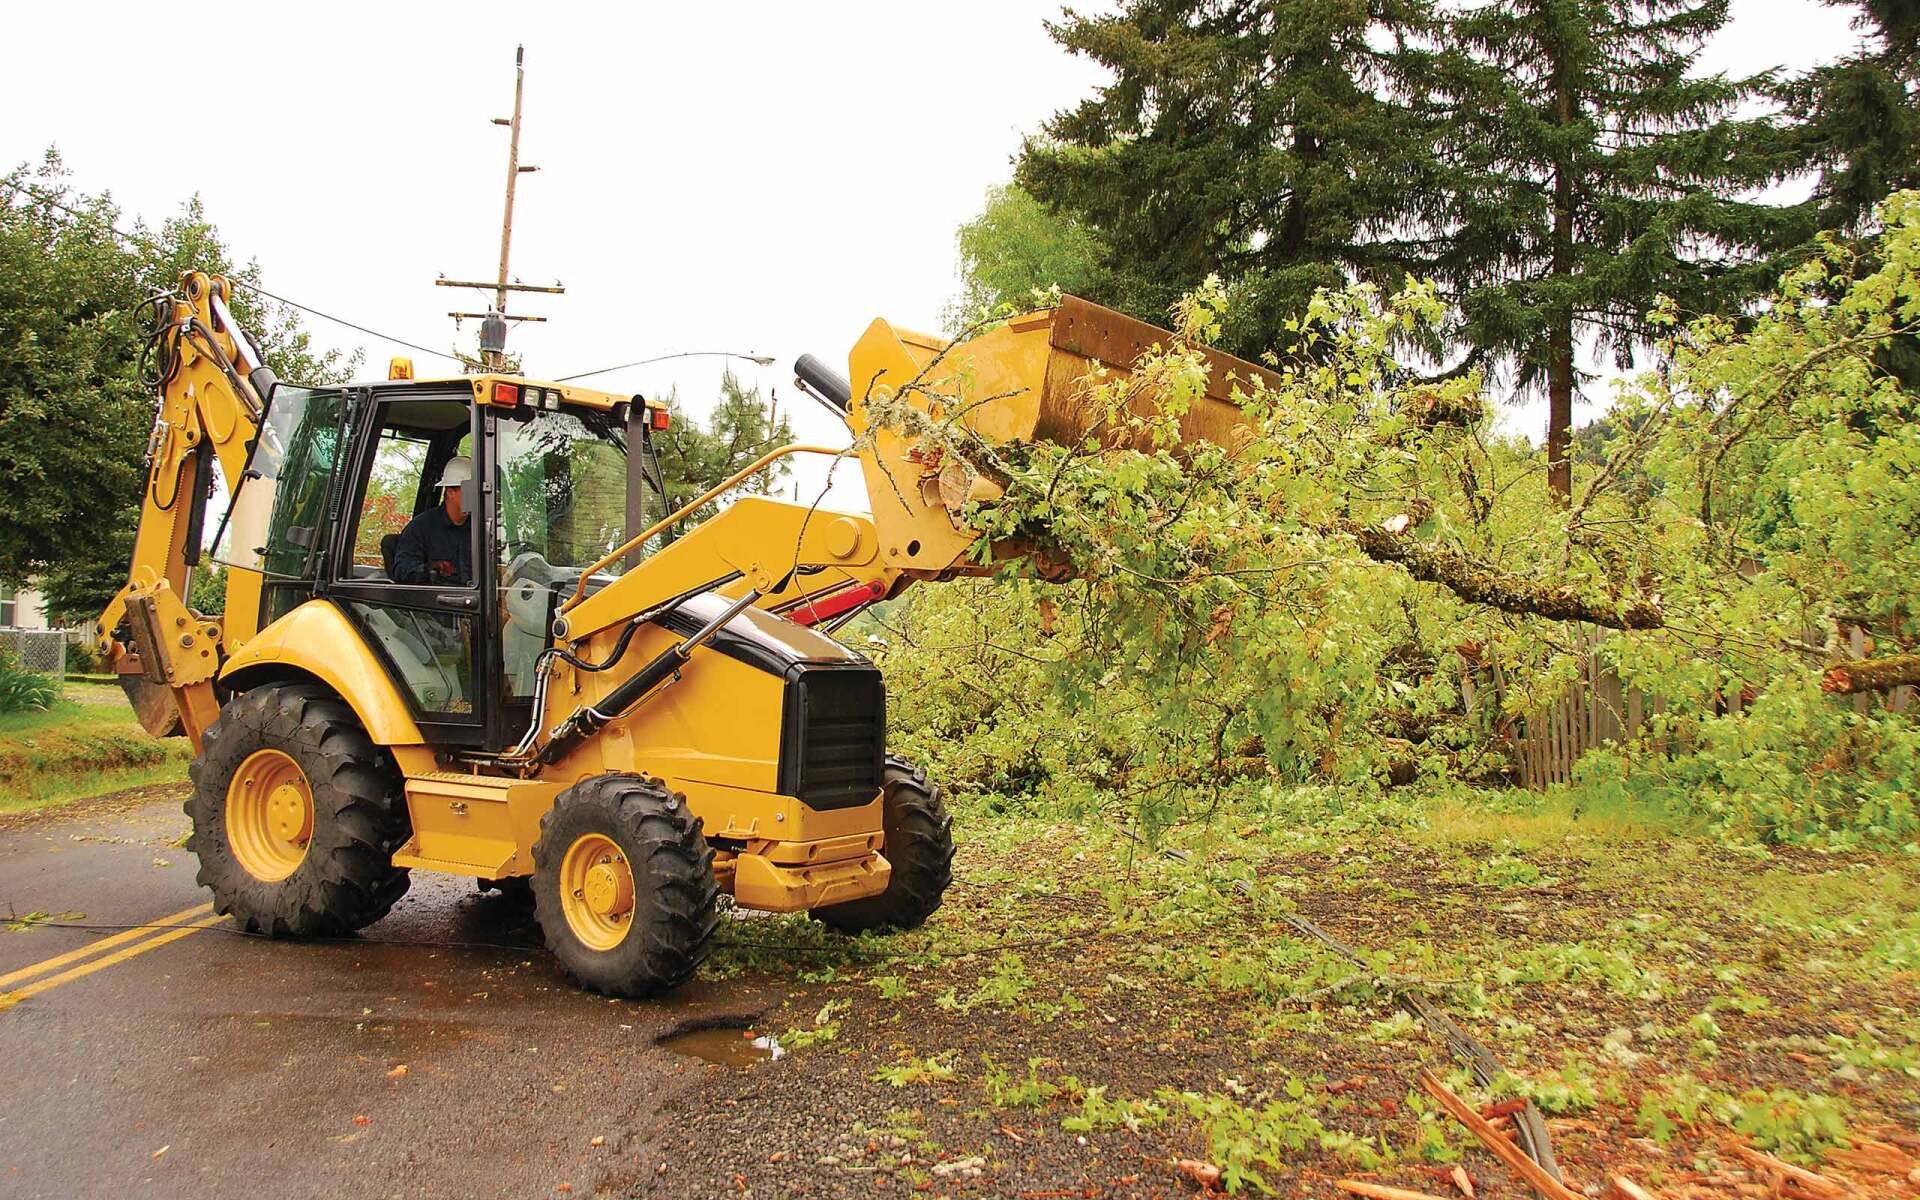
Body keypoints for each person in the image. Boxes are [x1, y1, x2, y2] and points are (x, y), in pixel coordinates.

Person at [394, 456, 474, 585]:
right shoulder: (420, 528)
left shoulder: (480, 529)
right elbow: (402, 572)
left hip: (475, 601)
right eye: (471, 489)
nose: (477, 495)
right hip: (436, 602)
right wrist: (432, 569)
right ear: (450, 492)